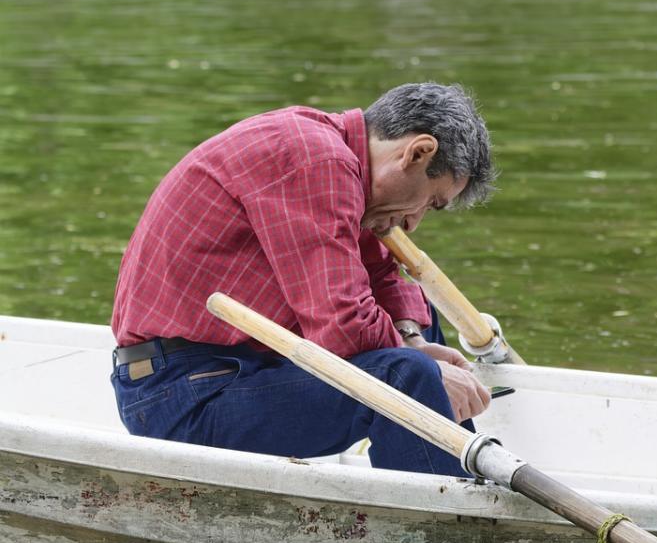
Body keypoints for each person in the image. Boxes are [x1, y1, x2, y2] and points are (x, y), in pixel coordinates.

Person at [110, 82, 496, 476]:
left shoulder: (341, 162)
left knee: (420, 328)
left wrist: (414, 340)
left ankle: (464, 473)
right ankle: (445, 517)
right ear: (417, 152)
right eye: (430, 201)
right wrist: (424, 369)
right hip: (185, 395)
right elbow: (343, 325)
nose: (413, 222)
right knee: (407, 377)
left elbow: (381, 276)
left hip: (237, 370)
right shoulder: (315, 160)